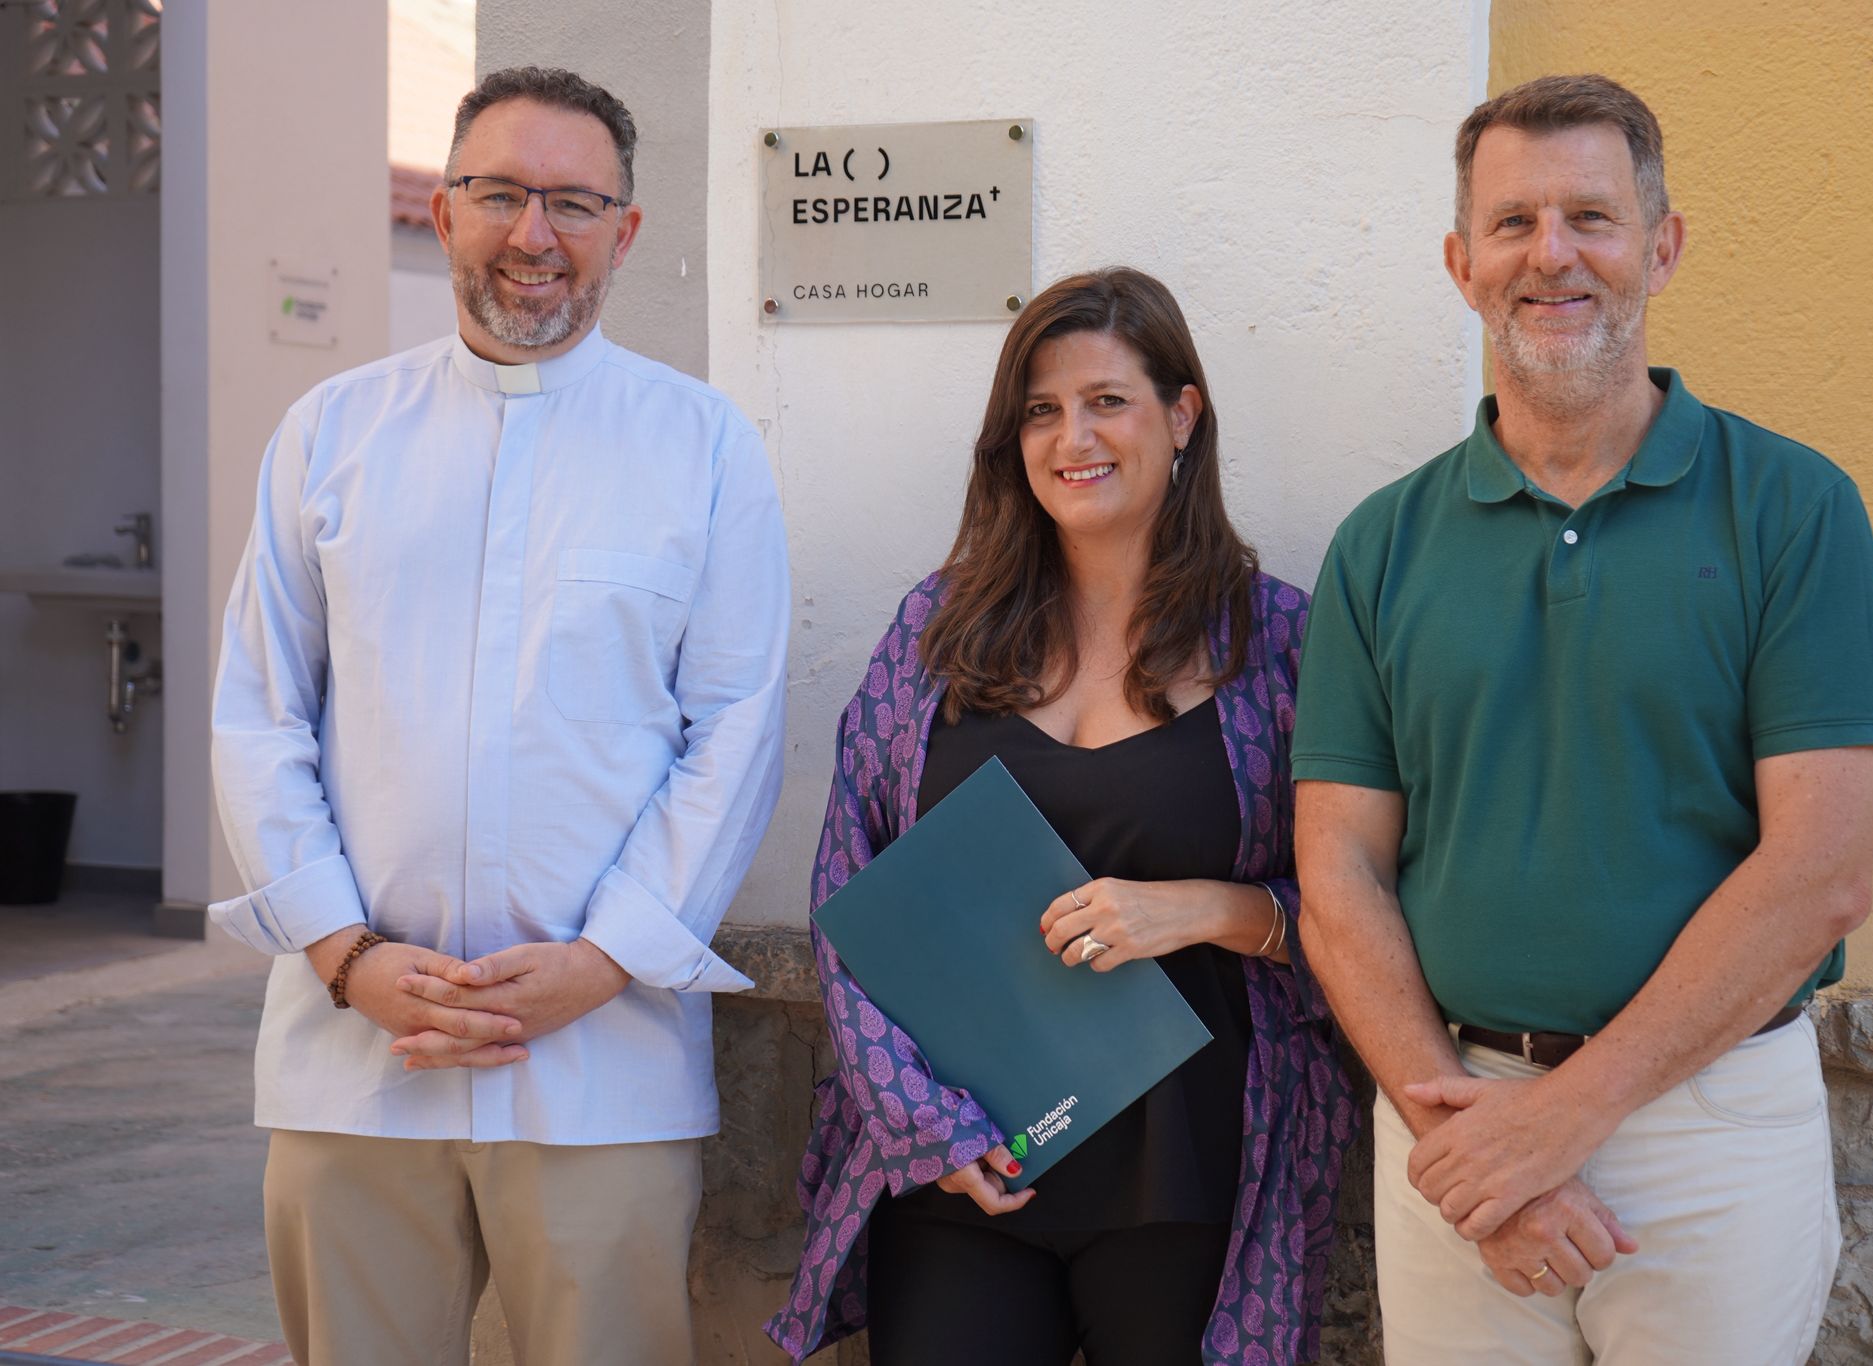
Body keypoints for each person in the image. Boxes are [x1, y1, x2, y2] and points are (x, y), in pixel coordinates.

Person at [1293, 73, 1873, 1364]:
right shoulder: (1379, 545)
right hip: (1452, 1108)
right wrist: (1474, 1143)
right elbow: (1338, 871)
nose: (1550, 254)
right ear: (1461, 264)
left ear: (1662, 247)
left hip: (1711, 1124)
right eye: (1512, 223)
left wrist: (1565, 1116)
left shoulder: (1793, 511)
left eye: (1591, 216)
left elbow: (1822, 874)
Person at [209, 67, 789, 1366]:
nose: (536, 235)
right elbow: (259, 713)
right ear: (442, 210)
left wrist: (602, 960)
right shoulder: (330, 434)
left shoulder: (701, 446)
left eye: (575, 203)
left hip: (604, 1067)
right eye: (502, 194)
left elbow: (736, 733)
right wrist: (344, 950)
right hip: (355, 1049)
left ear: (626, 232)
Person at [765, 268, 1357, 1366]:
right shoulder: (938, 632)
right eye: (1040, 410)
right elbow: (852, 892)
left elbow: (1355, 904)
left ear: (1181, 417)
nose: (1070, 436)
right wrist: (920, 1126)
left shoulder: (1275, 644)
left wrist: (1206, 908)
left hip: (1191, 1171)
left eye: (1105, 401)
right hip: (966, 1173)